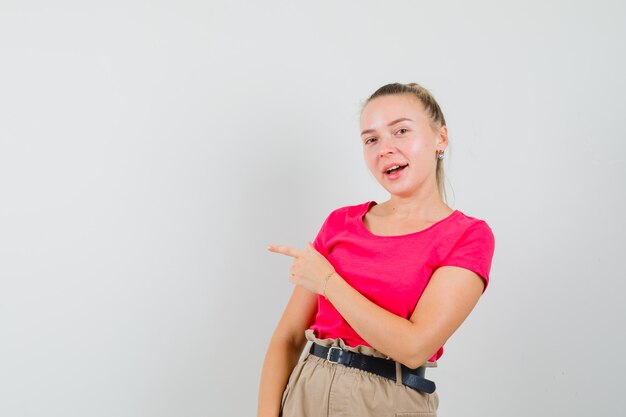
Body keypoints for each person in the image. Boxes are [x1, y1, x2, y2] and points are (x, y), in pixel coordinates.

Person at [257, 82, 496, 417]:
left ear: (440, 138)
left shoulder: (468, 236)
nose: (384, 148)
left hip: (388, 401)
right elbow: (289, 337)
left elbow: (414, 347)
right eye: (371, 139)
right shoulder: (340, 223)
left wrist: (327, 282)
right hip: (307, 391)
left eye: (400, 131)